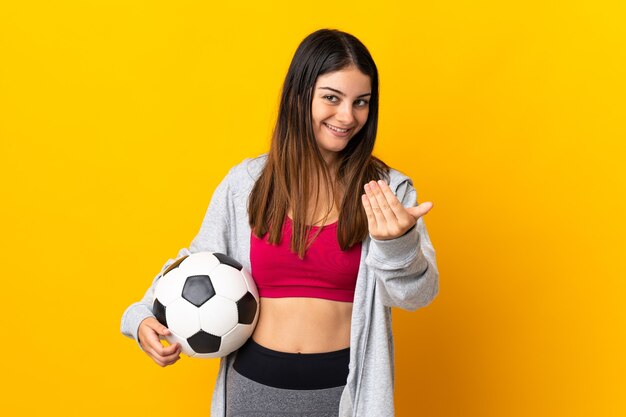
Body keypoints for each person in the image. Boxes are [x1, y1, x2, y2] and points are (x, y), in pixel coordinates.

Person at [121, 28, 439, 417]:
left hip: (342, 395)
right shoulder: (247, 184)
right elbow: (195, 265)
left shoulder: (388, 192)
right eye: (331, 98)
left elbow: (417, 296)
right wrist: (139, 317)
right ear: (299, 95)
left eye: (361, 102)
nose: (347, 116)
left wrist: (399, 244)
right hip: (254, 390)